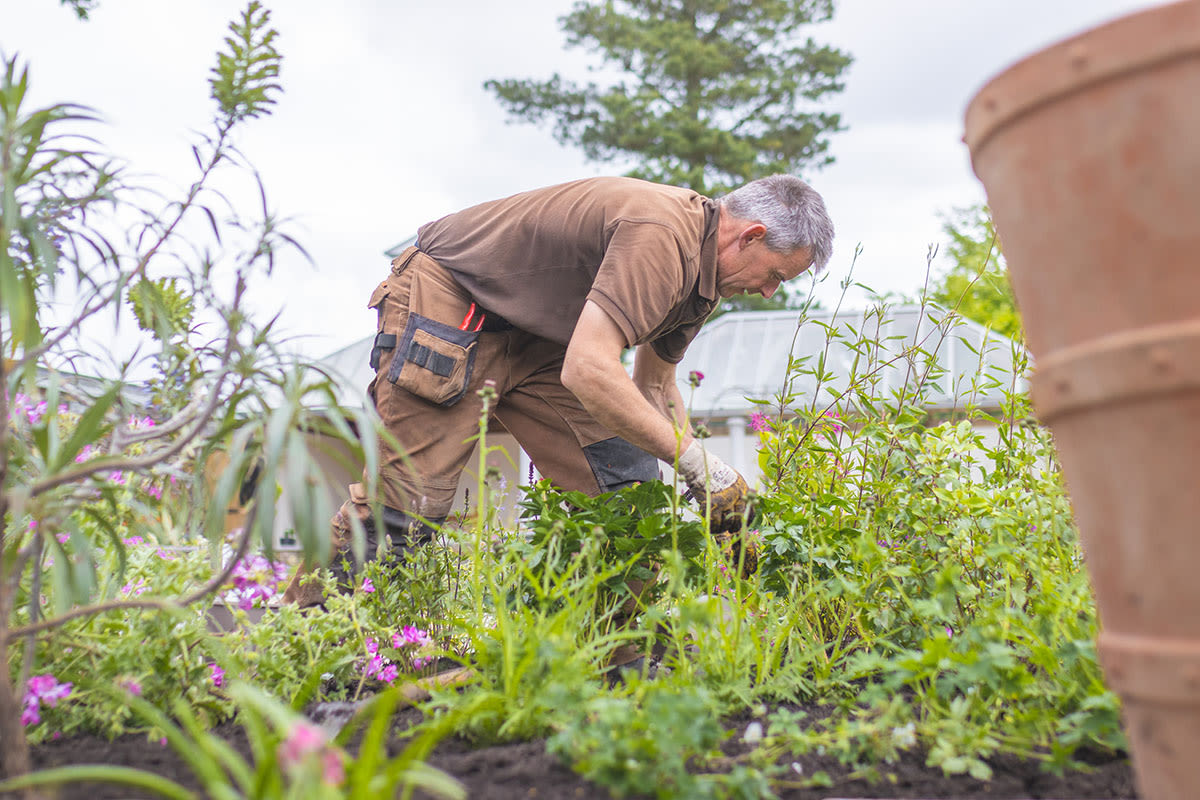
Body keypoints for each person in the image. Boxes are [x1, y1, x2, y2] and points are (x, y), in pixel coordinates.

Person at [281, 174, 833, 607]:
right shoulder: (662, 233)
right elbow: (590, 370)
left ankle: (619, 658)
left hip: (543, 340)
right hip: (454, 301)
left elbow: (654, 383)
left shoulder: (706, 281)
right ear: (751, 236)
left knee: (627, 489)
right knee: (408, 504)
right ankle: (308, 637)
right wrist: (695, 462)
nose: (766, 291)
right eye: (775, 276)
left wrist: (705, 480)